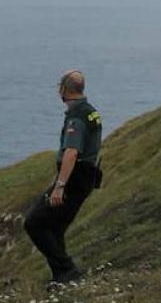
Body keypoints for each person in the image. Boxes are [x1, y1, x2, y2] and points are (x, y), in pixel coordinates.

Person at [24, 70, 103, 289]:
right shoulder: (91, 112)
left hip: (74, 178)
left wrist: (59, 185)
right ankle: (61, 277)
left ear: (64, 89)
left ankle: (68, 270)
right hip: (85, 176)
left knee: (34, 223)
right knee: (55, 227)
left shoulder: (76, 117)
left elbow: (71, 152)